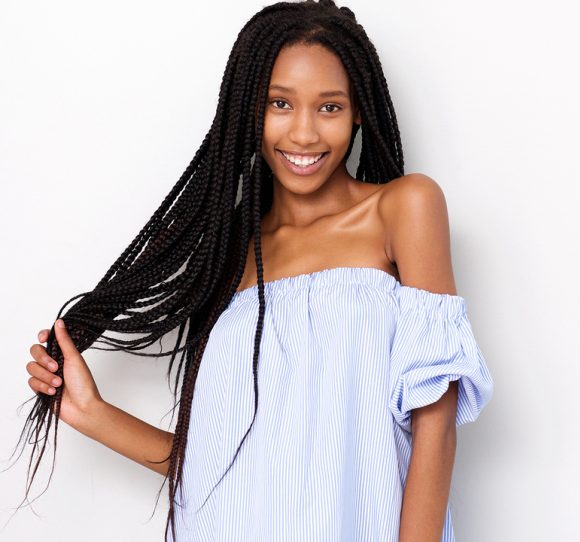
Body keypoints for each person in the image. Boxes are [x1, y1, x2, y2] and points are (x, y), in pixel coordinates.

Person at [18, 1, 494, 540]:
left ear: (358, 109)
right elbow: (224, 466)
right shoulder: (232, 256)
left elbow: (436, 421)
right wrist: (92, 412)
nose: (305, 134)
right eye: (279, 103)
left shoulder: (405, 208)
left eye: (330, 107)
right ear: (249, 108)